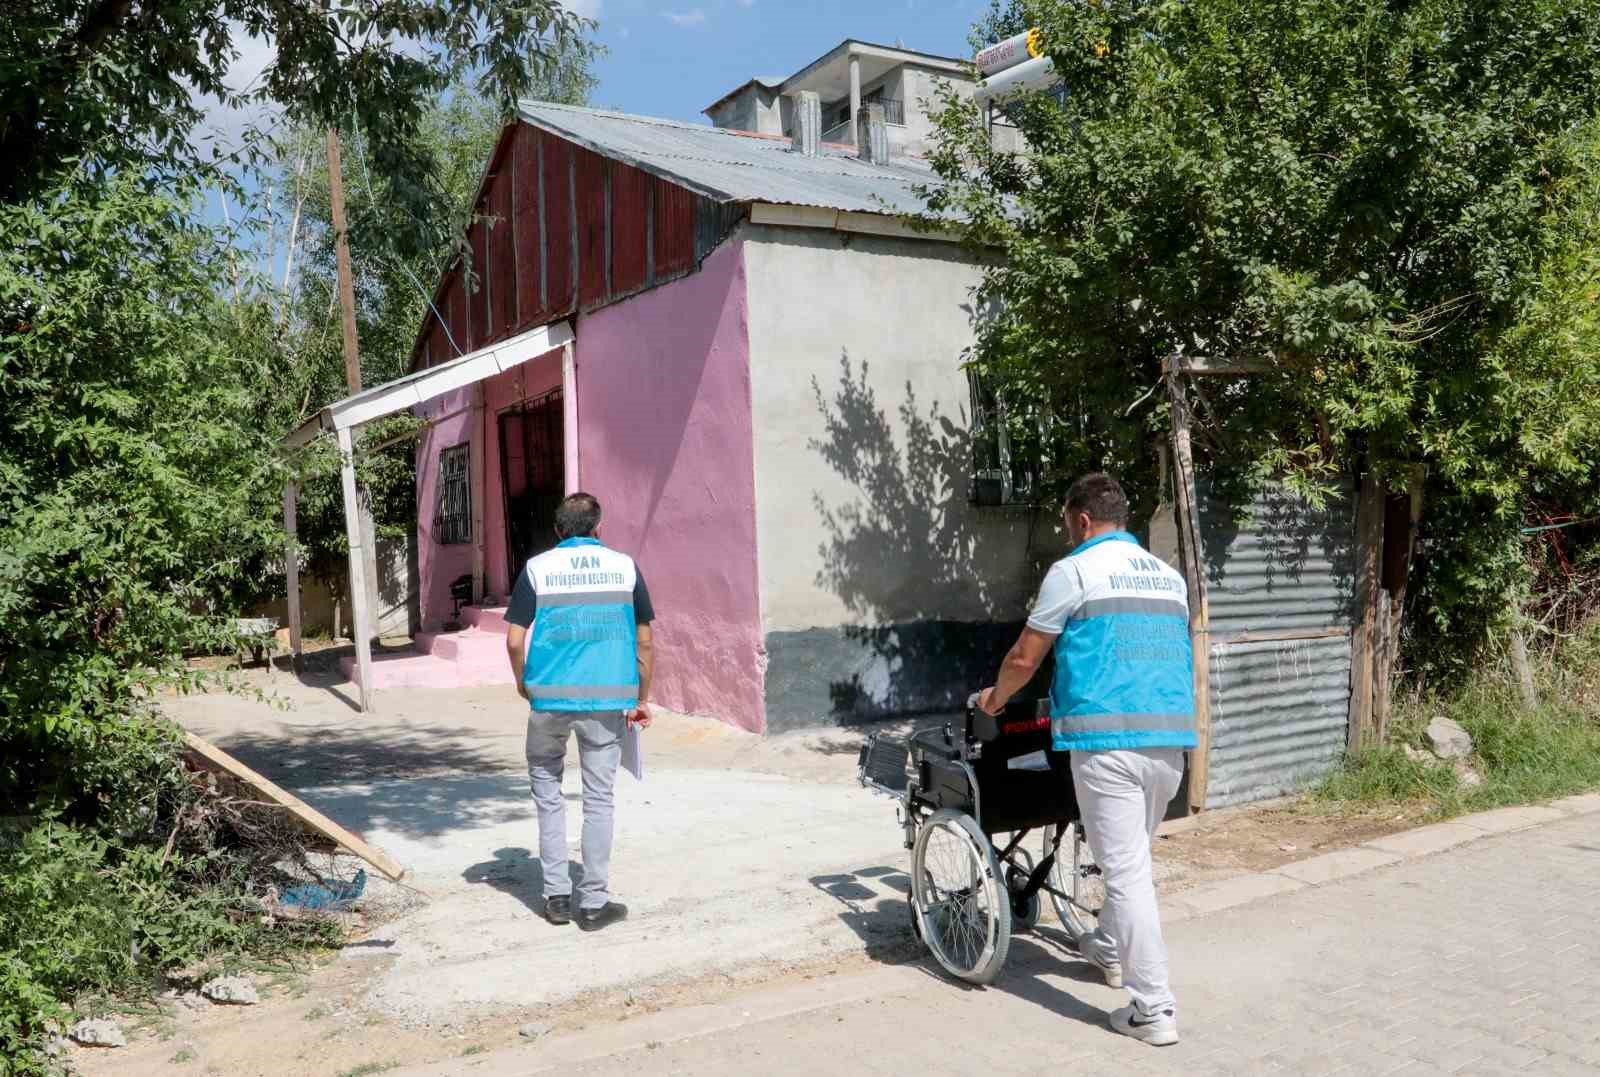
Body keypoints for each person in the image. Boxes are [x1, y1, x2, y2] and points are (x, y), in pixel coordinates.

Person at [977, 472, 1194, 1046]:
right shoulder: (1169, 578)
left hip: (1107, 744)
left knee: (1127, 875)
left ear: (1080, 520)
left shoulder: (1073, 570)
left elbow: (1026, 657)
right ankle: (1104, 946)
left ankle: (1153, 1009)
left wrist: (993, 701)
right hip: (1168, 742)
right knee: (1131, 862)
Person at [504, 492, 655, 933]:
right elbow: (645, 640)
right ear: (598, 528)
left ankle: (555, 899)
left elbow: (514, 640)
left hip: (548, 702)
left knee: (548, 795)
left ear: (557, 530)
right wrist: (641, 697)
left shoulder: (538, 569)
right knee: (599, 800)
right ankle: (592, 904)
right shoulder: (625, 567)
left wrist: (523, 684)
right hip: (607, 704)